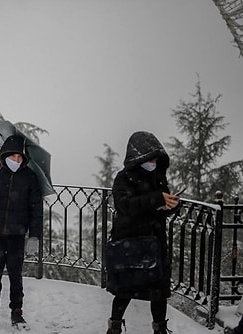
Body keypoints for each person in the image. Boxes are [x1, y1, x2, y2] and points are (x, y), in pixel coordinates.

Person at [106, 131, 179, 334]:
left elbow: (161, 201)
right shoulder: (124, 178)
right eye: (150, 158)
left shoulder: (158, 177)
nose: (153, 162)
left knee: (158, 292)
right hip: (132, 241)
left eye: (156, 158)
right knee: (125, 290)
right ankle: (114, 327)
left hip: (155, 241)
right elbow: (125, 205)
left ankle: (160, 329)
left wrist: (172, 205)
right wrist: (157, 199)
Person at [0, 134, 43, 330]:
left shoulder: (30, 177)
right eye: (12, 157)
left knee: (16, 274)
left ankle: (17, 313)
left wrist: (35, 235)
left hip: (17, 234)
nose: (15, 161)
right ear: (4, 155)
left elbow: (36, 209)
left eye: (19, 158)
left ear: (24, 159)